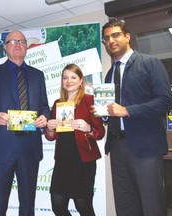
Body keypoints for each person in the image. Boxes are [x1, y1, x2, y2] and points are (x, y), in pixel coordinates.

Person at [100, 19, 172, 216]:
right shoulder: (109, 74)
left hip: (146, 149)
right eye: (106, 38)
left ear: (127, 36)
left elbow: (165, 102)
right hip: (117, 148)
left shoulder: (150, 63)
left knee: (152, 207)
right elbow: (114, 111)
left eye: (115, 35)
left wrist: (128, 110)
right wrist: (104, 115)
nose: (111, 40)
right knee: (125, 208)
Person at [0, 30, 50, 216]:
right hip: (2, 149)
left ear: (26, 46)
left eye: (21, 41)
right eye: (12, 41)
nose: (17, 44)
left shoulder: (37, 75)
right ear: (6, 47)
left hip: (29, 149)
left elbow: (44, 106)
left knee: (27, 205)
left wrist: (45, 117)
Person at [44, 64, 105, 216]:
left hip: (83, 162)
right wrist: (50, 129)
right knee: (58, 207)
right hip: (62, 162)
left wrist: (88, 128)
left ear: (81, 81)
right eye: (65, 78)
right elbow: (50, 137)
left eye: (73, 77)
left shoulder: (90, 101)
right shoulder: (57, 104)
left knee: (83, 207)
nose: (68, 81)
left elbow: (101, 132)